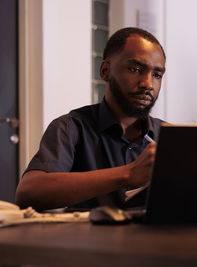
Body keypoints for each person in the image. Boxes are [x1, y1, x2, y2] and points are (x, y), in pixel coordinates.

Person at [15, 27, 166, 211]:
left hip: (153, 239)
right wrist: (128, 174)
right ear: (105, 71)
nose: (148, 84)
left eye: (157, 75)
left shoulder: (169, 137)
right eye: (135, 69)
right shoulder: (70, 128)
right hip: (88, 239)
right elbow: (29, 193)